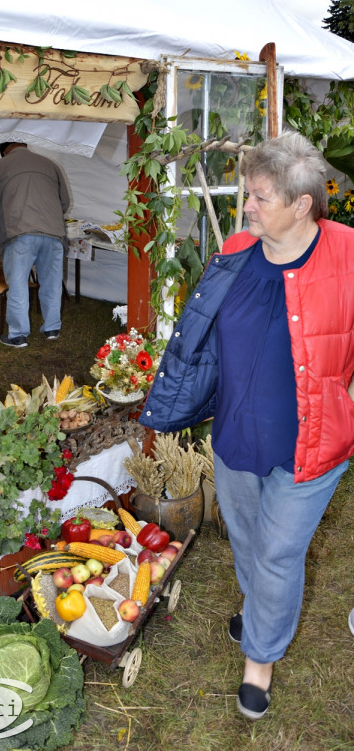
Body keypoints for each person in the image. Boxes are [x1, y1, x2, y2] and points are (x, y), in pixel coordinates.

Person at [140, 131, 354, 720]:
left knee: (280, 554)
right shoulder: (236, 248)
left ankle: (259, 660)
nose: (247, 206)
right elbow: (202, 333)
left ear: (301, 205)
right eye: (247, 194)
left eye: (260, 197)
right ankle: (260, 608)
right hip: (235, 435)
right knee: (249, 541)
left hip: (310, 444)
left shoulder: (348, 255)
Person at [0, 142, 71, 347]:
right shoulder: (50, 164)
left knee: (18, 284)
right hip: (53, 232)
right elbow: (64, 202)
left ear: (4, 152)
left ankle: (18, 335)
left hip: (19, 232)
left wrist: (1, 226)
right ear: (24, 146)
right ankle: (52, 328)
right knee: (52, 282)